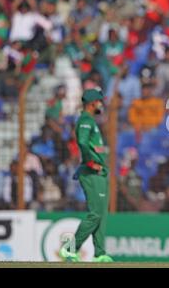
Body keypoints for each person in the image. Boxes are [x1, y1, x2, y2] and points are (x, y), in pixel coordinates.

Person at [59, 88, 113, 262]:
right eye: (99, 101)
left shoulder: (91, 121)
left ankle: (100, 253)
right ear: (92, 103)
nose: (101, 104)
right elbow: (81, 141)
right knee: (96, 213)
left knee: (101, 214)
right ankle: (70, 249)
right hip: (91, 172)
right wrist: (90, 162)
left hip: (100, 172)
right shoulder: (86, 120)